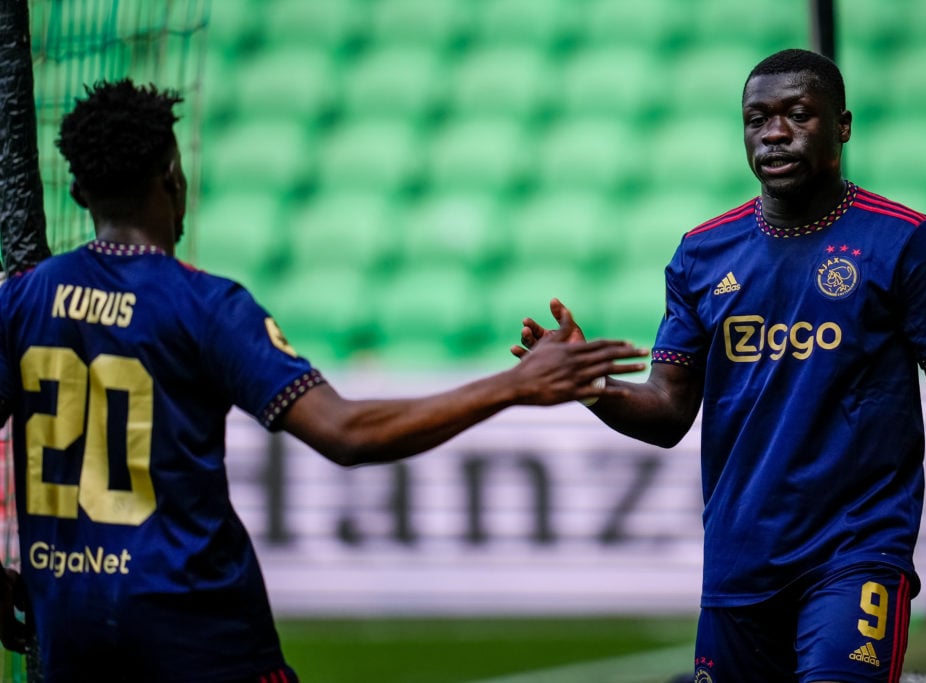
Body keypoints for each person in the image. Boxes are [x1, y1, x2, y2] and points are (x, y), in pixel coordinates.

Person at [0, 79, 647, 682]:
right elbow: (343, 433)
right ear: (173, 176)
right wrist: (512, 385)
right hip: (198, 635)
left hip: (70, 631)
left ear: (80, 192)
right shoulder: (205, 306)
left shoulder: (22, 299)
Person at [515, 48, 926, 682]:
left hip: (855, 553)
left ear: (843, 126)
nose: (774, 132)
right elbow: (666, 412)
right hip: (737, 564)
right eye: (757, 119)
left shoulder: (904, 240)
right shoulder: (701, 253)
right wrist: (592, 385)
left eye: (798, 114)